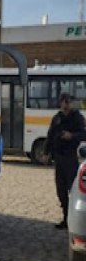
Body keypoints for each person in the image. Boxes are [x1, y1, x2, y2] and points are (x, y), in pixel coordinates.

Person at [44, 93, 86, 229]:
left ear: (72, 103)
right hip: (59, 158)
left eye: (68, 102)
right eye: (63, 102)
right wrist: (46, 152)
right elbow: (50, 135)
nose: (66, 105)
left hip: (71, 158)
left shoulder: (78, 118)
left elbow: (83, 134)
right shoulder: (57, 118)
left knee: (72, 190)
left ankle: (74, 220)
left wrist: (72, 136)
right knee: (61, 190)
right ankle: (66, 218)